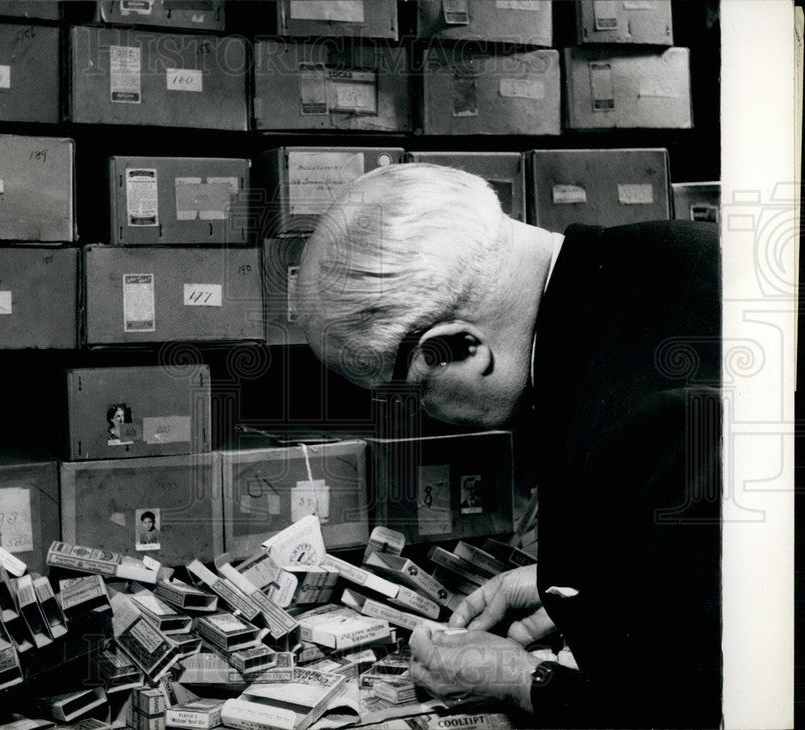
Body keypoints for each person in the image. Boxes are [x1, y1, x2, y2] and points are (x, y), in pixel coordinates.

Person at [292, 164, 721, 728]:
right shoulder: (686, 246)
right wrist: (591, 583)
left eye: (412, 395)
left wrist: (518, 679)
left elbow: (676, 714)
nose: (426, 418)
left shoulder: (631, 430)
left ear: (460, 347)